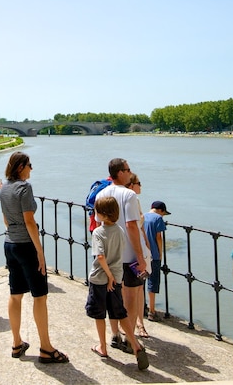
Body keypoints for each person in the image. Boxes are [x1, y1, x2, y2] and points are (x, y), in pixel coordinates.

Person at [0, 151, 69, 364]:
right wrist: (40, 252)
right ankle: (46, 348)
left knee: (16, 294)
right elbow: (29, 221)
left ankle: (17, 343)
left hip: (10, 244)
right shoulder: (24, 187)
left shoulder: (4, 188)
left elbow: (5, 219)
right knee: (40, 296)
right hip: (26, 245)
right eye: (30, 164)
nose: (32, 168)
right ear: (20, 167)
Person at [85, 196, 149, 370]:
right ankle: (135, 344)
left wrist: (108, 276)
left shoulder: (98, 232)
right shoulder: (120, 230)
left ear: (103, 215)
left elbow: (100, 256)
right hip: (118, 275)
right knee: (118, 312)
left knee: (99, 314)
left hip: (100, 278)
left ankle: (102, 346)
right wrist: (114, 276)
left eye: (96, 211)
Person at [94, 158, 148, 360]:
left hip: (109, 256)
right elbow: (132, 226)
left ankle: (115, 333)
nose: (130, 172)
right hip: (128, 255)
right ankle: (129, 337)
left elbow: (99, 225)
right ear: (120, 173)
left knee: (113, 297)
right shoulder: (129, 195)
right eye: (128, 169)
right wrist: (141, 257)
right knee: (131, 298)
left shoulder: (101, 194)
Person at [126, 172, 153, 338]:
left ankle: (139, 323)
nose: (141, 186)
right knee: (135, 288)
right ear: (132, 185)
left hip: (141, 247)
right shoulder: (131, 199)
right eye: (139, 183)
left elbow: (140, 225)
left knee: (138, 287)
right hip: (133, 250)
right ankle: (135, 325)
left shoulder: (136, 200)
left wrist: (147, 244)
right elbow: (132, 225)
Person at [143, 200, 170, 322]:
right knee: (153, 282)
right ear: (160, 210)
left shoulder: (142, 216)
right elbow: (159, 237)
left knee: (140, 281)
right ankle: (152, 311)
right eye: (163, 213)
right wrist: (160, 253)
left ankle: (141, 306)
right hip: (153, 254)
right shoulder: (158, 218)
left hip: (142, 253)